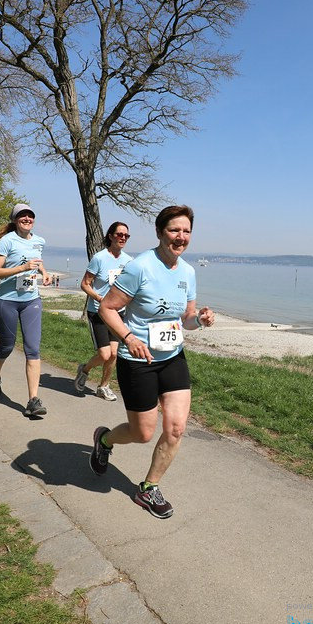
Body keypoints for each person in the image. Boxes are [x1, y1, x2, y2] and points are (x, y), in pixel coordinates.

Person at [89, 205, 215, 519]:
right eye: (174, 230)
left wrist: (198, 320)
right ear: (160, 232)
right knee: (143, 433)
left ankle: (148, 488)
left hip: (172, 357)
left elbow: (185, 318)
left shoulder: (188, 272)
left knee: (175, 428)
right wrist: (129, 337)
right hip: (137, 360)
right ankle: (104, 439)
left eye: (186, 231)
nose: (181, 237)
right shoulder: (140, 267)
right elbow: (107, 308)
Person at [0, 203, 51, 417]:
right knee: (6, 346)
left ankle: (33, 400)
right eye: (22, 216)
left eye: (30, 216)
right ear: (15, 220)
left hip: (31, 300)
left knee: (33, 349)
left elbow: (37, 261)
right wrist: (22, 268)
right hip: (7, 301)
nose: (27, 219)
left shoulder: (39, 241)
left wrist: (45, 272)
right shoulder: (7, 241)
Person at [74, 221, 133, 401]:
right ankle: (84, 369)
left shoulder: (128, 261)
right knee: (104, 354)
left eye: (126, 235)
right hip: (98, 312)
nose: (123, 238)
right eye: (119, 234)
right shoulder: (99, 258)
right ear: (110, 236)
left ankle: (103, 386)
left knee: (114, 353)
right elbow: (85, 284)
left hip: (118, 313)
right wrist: (100, 298)